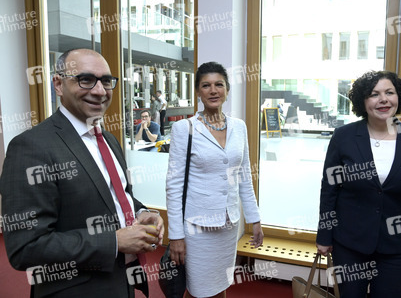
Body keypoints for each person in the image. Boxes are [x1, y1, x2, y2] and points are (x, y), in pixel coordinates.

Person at [0, 48, 164, 298]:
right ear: (58, 84)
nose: (99, 91)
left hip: (122, 282)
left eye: (106, 81)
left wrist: (142, 212)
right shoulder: (31, 147)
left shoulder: (108, 139)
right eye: (85, 80)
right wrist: (114, 242)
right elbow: (26, 247)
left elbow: (117, 195)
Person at [316, 70, 401, 297]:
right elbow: (329, 189)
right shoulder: (343, 137)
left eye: (389, 93)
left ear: (399, 98)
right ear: (363, 102)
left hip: (398, 246)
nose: (383, 99)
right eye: (374, 94)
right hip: (349, 243)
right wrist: (324, 236)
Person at [166, 62, 264, 298]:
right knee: (198, 289)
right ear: (198, 92)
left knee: (221, 284)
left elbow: (244, 177)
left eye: (218, 84)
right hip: (197, 229)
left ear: (227, 89)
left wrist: (255, 219)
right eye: (206, 85)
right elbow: (174, 186)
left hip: (228, 226)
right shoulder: (184, 129)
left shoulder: (239, 127)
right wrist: (176, 236)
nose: (213, 90)